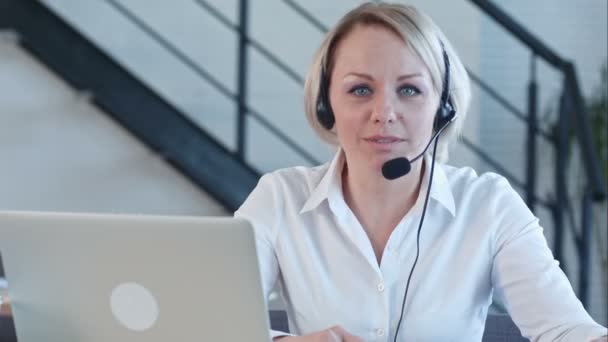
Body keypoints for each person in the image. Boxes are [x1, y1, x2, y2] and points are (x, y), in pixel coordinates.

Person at [235, 2, 608, 341]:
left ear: (442, 108)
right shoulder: (280, 198)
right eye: (361, 90)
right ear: (325, 104)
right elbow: (208, 322)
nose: (384, 113)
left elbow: (565, 328)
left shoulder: (488, 205)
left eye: (410, 90)